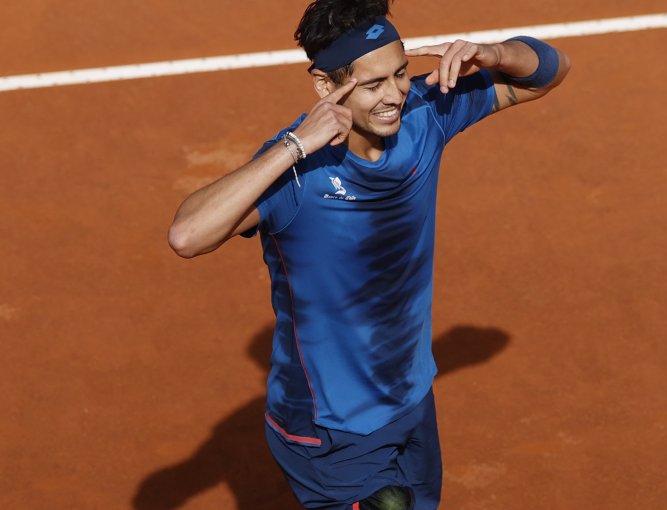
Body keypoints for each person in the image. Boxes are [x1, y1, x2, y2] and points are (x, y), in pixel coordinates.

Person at [167, 0, 570, 508]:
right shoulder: (297, 173)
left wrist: (495, 53)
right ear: (325, 86)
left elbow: (549, 72)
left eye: (401, 74)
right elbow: (187, 235)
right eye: (373, 84)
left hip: (411, 402)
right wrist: (293, 146)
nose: (395, 96)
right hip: (332, 432)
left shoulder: (427, 114)